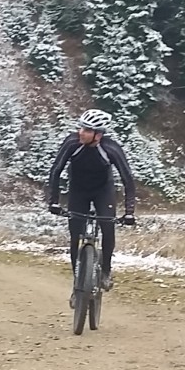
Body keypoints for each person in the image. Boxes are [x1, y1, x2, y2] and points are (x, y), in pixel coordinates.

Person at [44, 109, 137, 293]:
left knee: (107, 228)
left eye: (86, 130)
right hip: (78, 190)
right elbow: (56, 171)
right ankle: (77, 285)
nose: (81, 132)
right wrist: (53, 202)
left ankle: (106, 271)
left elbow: (128, 180)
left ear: (98, 135)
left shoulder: (111, 148)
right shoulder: (72, 143)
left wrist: (129, 212)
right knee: (75, 235)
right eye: (81, 128)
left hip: (103, 190)